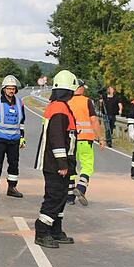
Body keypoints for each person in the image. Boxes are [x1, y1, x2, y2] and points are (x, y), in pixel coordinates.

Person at [33, 70, 79, 248]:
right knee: (54, 197)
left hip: (60, 163)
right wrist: (62, 164)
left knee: (61, 197)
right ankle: (42, 231)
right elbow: (57, 139)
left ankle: (55, 230)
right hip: (55, 164)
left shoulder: (60, 106)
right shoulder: (59, 109)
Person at [66, 79, 105, 205]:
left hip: (70, 139)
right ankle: (81, 187)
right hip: (85, 139)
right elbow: (94, 120)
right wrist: (100, 138)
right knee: (87, 165)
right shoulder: (87, 101)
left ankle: (69, 197)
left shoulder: (66, 100)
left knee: (71, 166)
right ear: (80, 88)